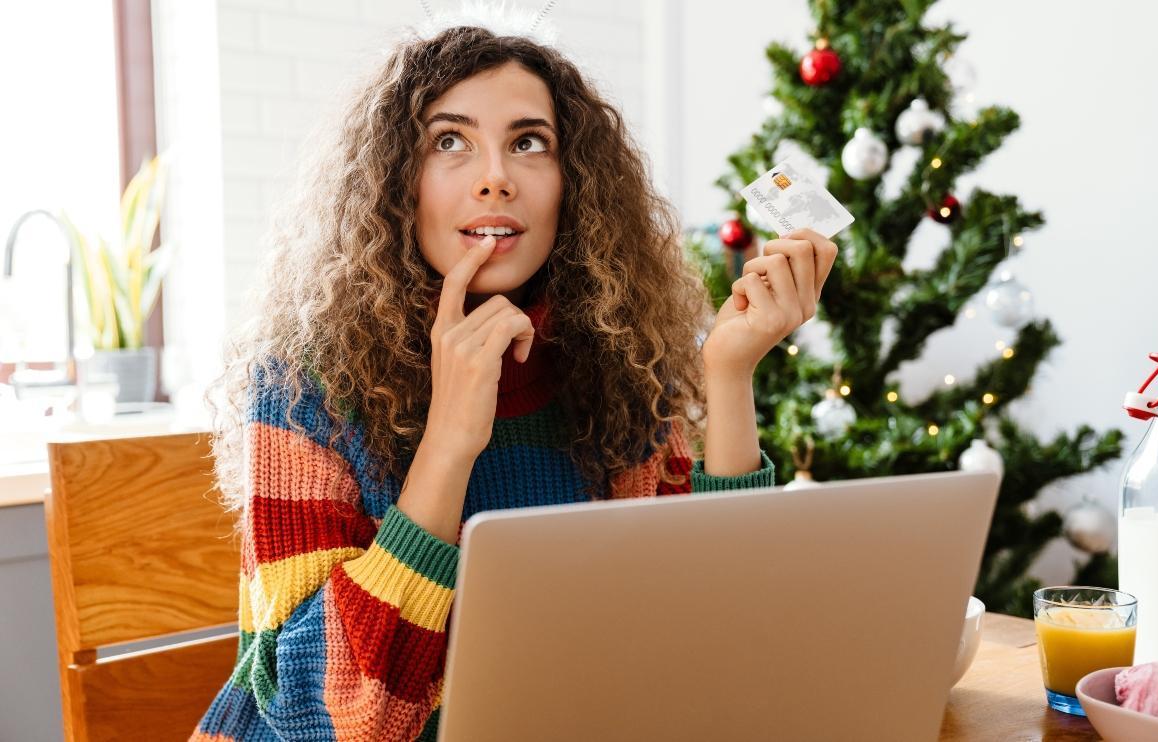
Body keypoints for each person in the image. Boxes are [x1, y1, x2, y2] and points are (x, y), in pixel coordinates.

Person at [190, 23, 838, 742]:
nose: (495, 176)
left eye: (529, 142)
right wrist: (448, 443)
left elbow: (716, 627)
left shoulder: (616, 361)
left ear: (574, 188)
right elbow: (334, 717)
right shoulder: (301, 385)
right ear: (395, 185)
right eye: (450, 142)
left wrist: (730, 373)